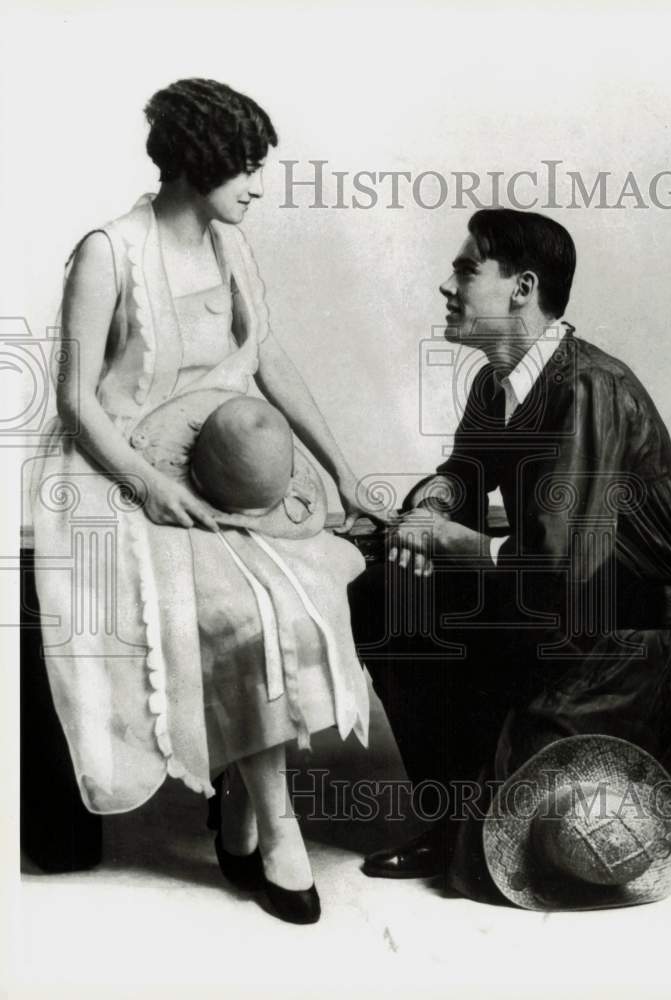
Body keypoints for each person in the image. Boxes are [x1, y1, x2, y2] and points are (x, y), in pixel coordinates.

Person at [29, 78, 378, 925]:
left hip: (221, 456)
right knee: (239, 610)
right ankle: (277, 823)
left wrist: (342, 469)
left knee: (303, 602)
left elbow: (266, 359)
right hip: (117, 471)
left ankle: (243, 806)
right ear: (198, 162)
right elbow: (77, 399)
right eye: (246, 168)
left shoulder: (230, 246)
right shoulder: (109, 250)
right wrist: (152, 490)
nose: (258, 185)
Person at [348, 208, 671, 903]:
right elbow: (466, 469)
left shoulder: (590, 386)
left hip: (629, 640)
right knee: (387, 593)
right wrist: (428, 509)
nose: (446, 285)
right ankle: (446, 815)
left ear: (521, 288)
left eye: (465, 269)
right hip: (554, 616)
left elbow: (564, 573)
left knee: (505, 860)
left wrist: (455, 544)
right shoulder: (495, 383)